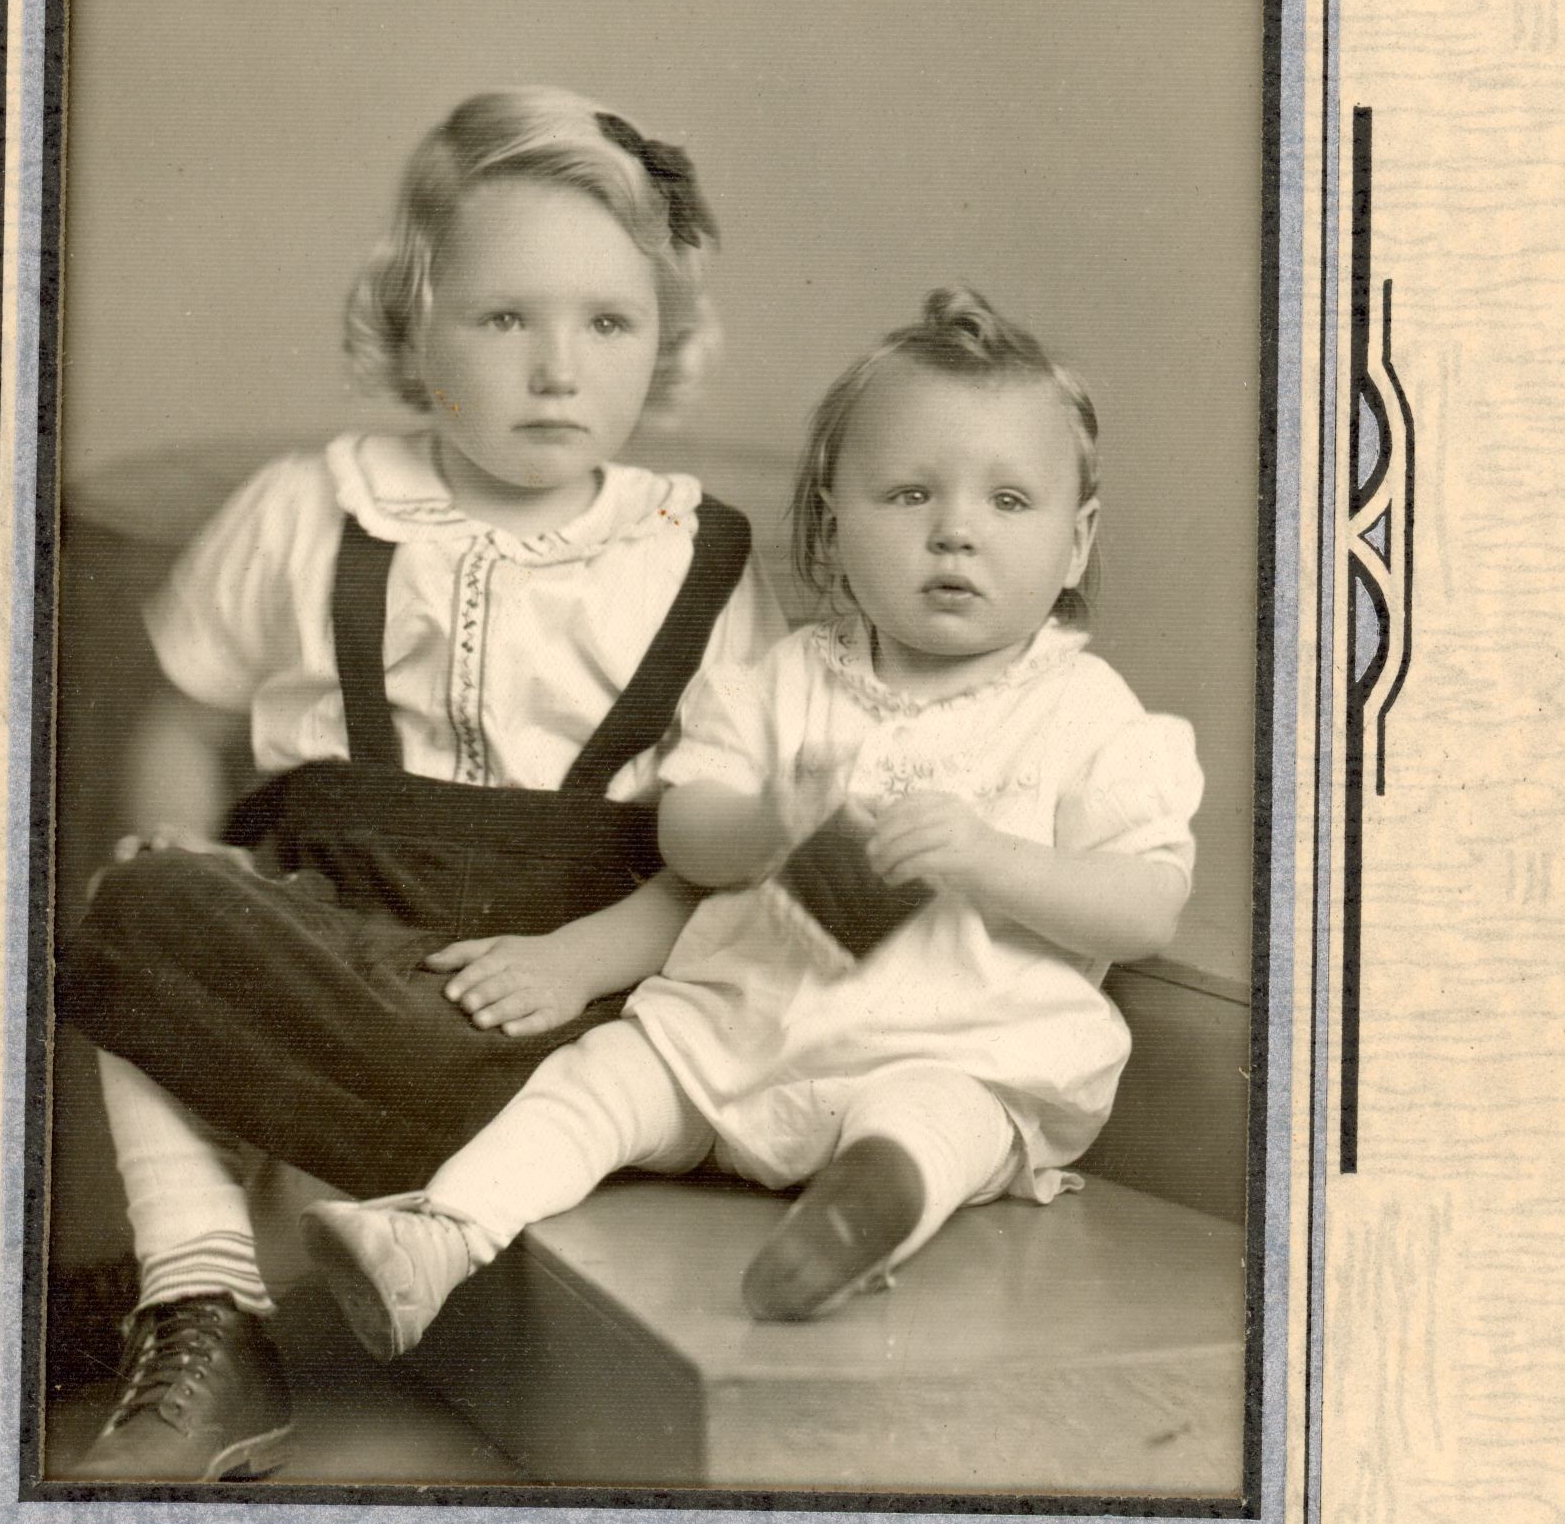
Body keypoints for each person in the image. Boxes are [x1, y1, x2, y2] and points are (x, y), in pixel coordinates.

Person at [55, 89, 786, 1479]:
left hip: (562, 1031)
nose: (557, 369)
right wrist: (174, 837)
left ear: (667, 342)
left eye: (609, 324)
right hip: (336, 966)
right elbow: (184, 720)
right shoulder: (310, 505)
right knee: (139, 909)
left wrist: (577, 962)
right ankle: (206, 1303)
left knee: (688, 1025)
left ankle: (335, 1226)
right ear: (411, 325)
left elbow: (725, 849)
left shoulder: (696, 557)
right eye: (506, 320)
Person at [299, 285, 1203, 1350]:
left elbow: (1145, 907)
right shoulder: (785, 683)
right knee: (600, 1078)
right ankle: (441, 1232)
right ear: (832, 516)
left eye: (1009, 502)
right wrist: (767, 821)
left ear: (1075, 539)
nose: (956, 532)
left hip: (953, 1049)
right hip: (735, 1036)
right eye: (909, 494)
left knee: (934, 1123)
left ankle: (855, 1222)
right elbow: (686, 841)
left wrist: (990, 855)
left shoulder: (1084, 712)